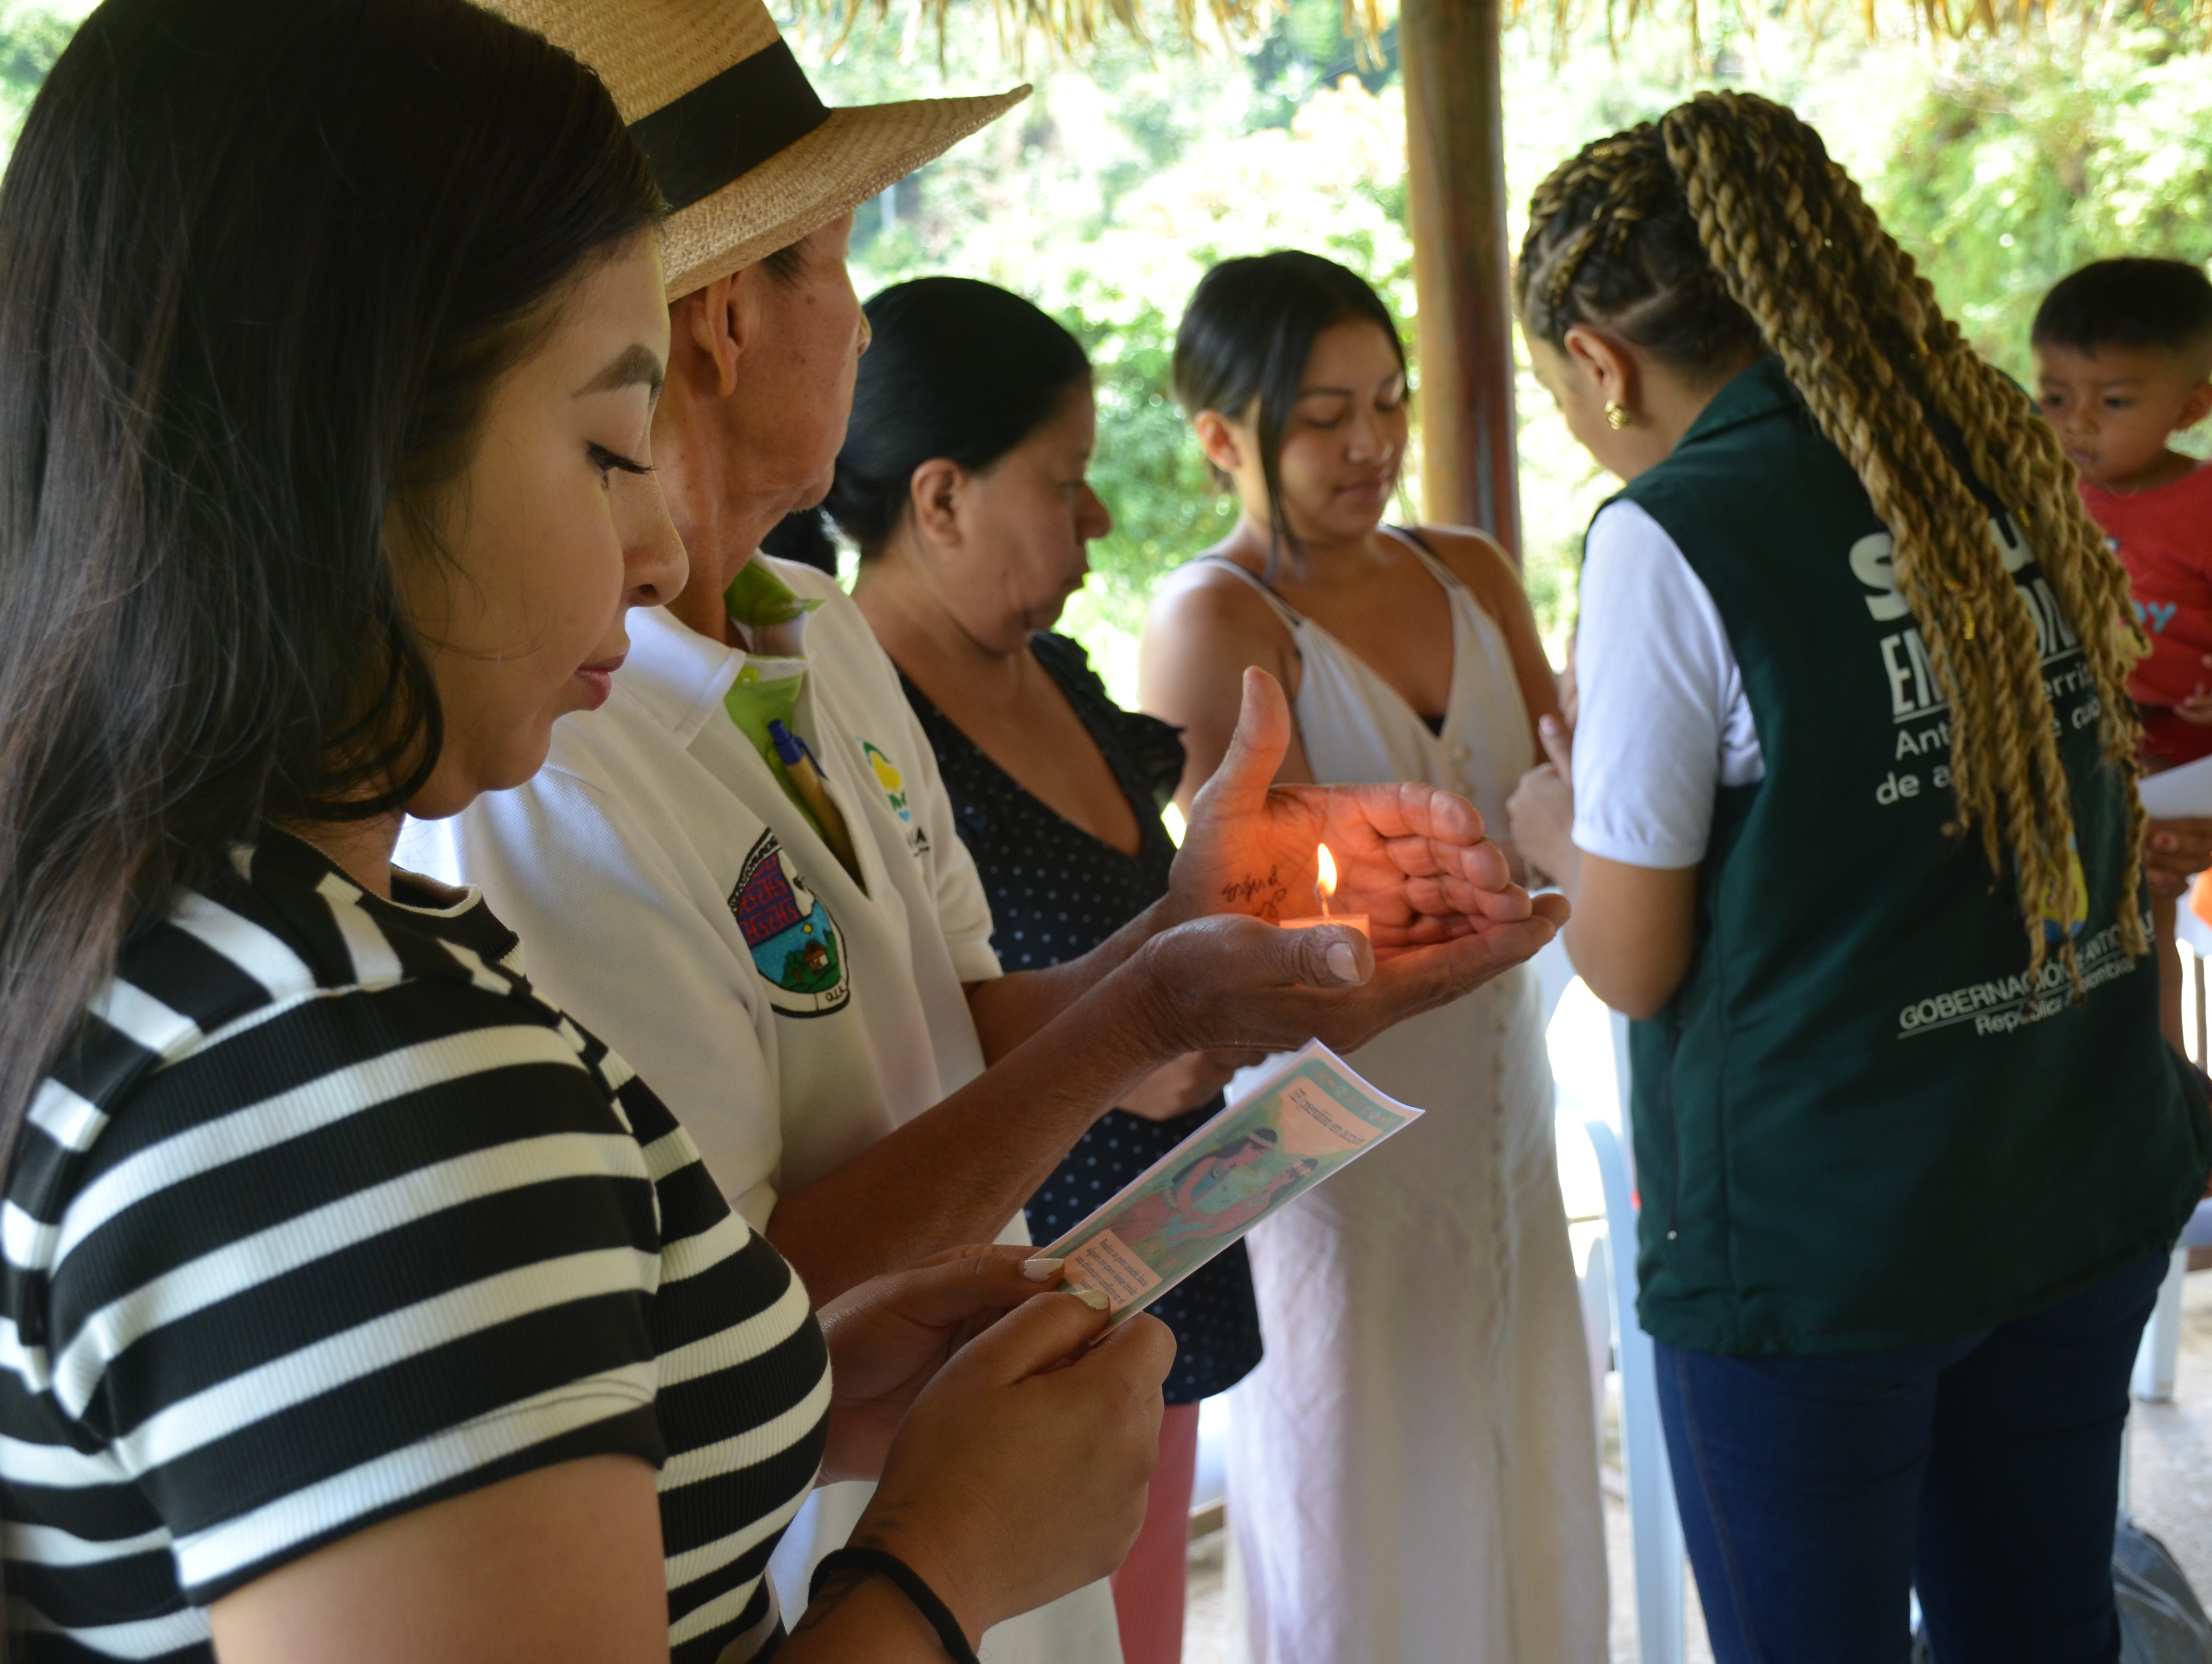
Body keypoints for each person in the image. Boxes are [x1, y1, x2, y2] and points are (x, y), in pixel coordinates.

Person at [0, 5, 1188, 1660]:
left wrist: (770, 1379)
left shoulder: (175, 959)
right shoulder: (354, 1082)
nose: (643, 541)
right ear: (360, 442)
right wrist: (937, 1564)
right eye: (605, 445)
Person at [396, 5, 1567, 1659]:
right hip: (822, 1553)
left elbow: (960, 1027)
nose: (864, 334)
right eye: (840, 272)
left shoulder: (813, 626)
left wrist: (1189, 934)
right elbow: (719, 1282)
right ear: (726, 314)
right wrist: (1164, 1005)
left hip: (978, 1486)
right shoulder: (557, 753)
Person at [1503, 92, 2212, 1664]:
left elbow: (1625, 959)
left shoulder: (1674, 532)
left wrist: (1551, 820)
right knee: (2036, 1624)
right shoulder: (1995, 459)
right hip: (2074, 1161)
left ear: (1598, 360)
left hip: (1826, 1236)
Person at [1136, 250, 1608, 1664]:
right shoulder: (1209, 620)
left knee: (1522, 1442)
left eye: (1388, 403)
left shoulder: (1464, 565)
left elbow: (1559, 796)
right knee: (1358, 1466)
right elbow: (1227, 914)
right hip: (1334, 1125)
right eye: (1321, 416)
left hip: (1502, 1082)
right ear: (1224, 437)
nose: (1370, 444)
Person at [826, 275, 1266, 1664]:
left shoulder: (1061, 676)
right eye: (1066, 480)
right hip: (1006, 1309)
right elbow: (926, 1031)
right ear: (940, 498)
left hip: (1168, 1258)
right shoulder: (855, 718)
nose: (1101, 519)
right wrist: (1140, 1035)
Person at [2033, 257, 2212, 768]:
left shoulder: (2200, 507)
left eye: (2112, 402)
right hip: (2080, 752)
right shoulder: (2037, 491)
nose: (2075, 423)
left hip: (2188, 767)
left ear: (2188, 410)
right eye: (2053, 396)